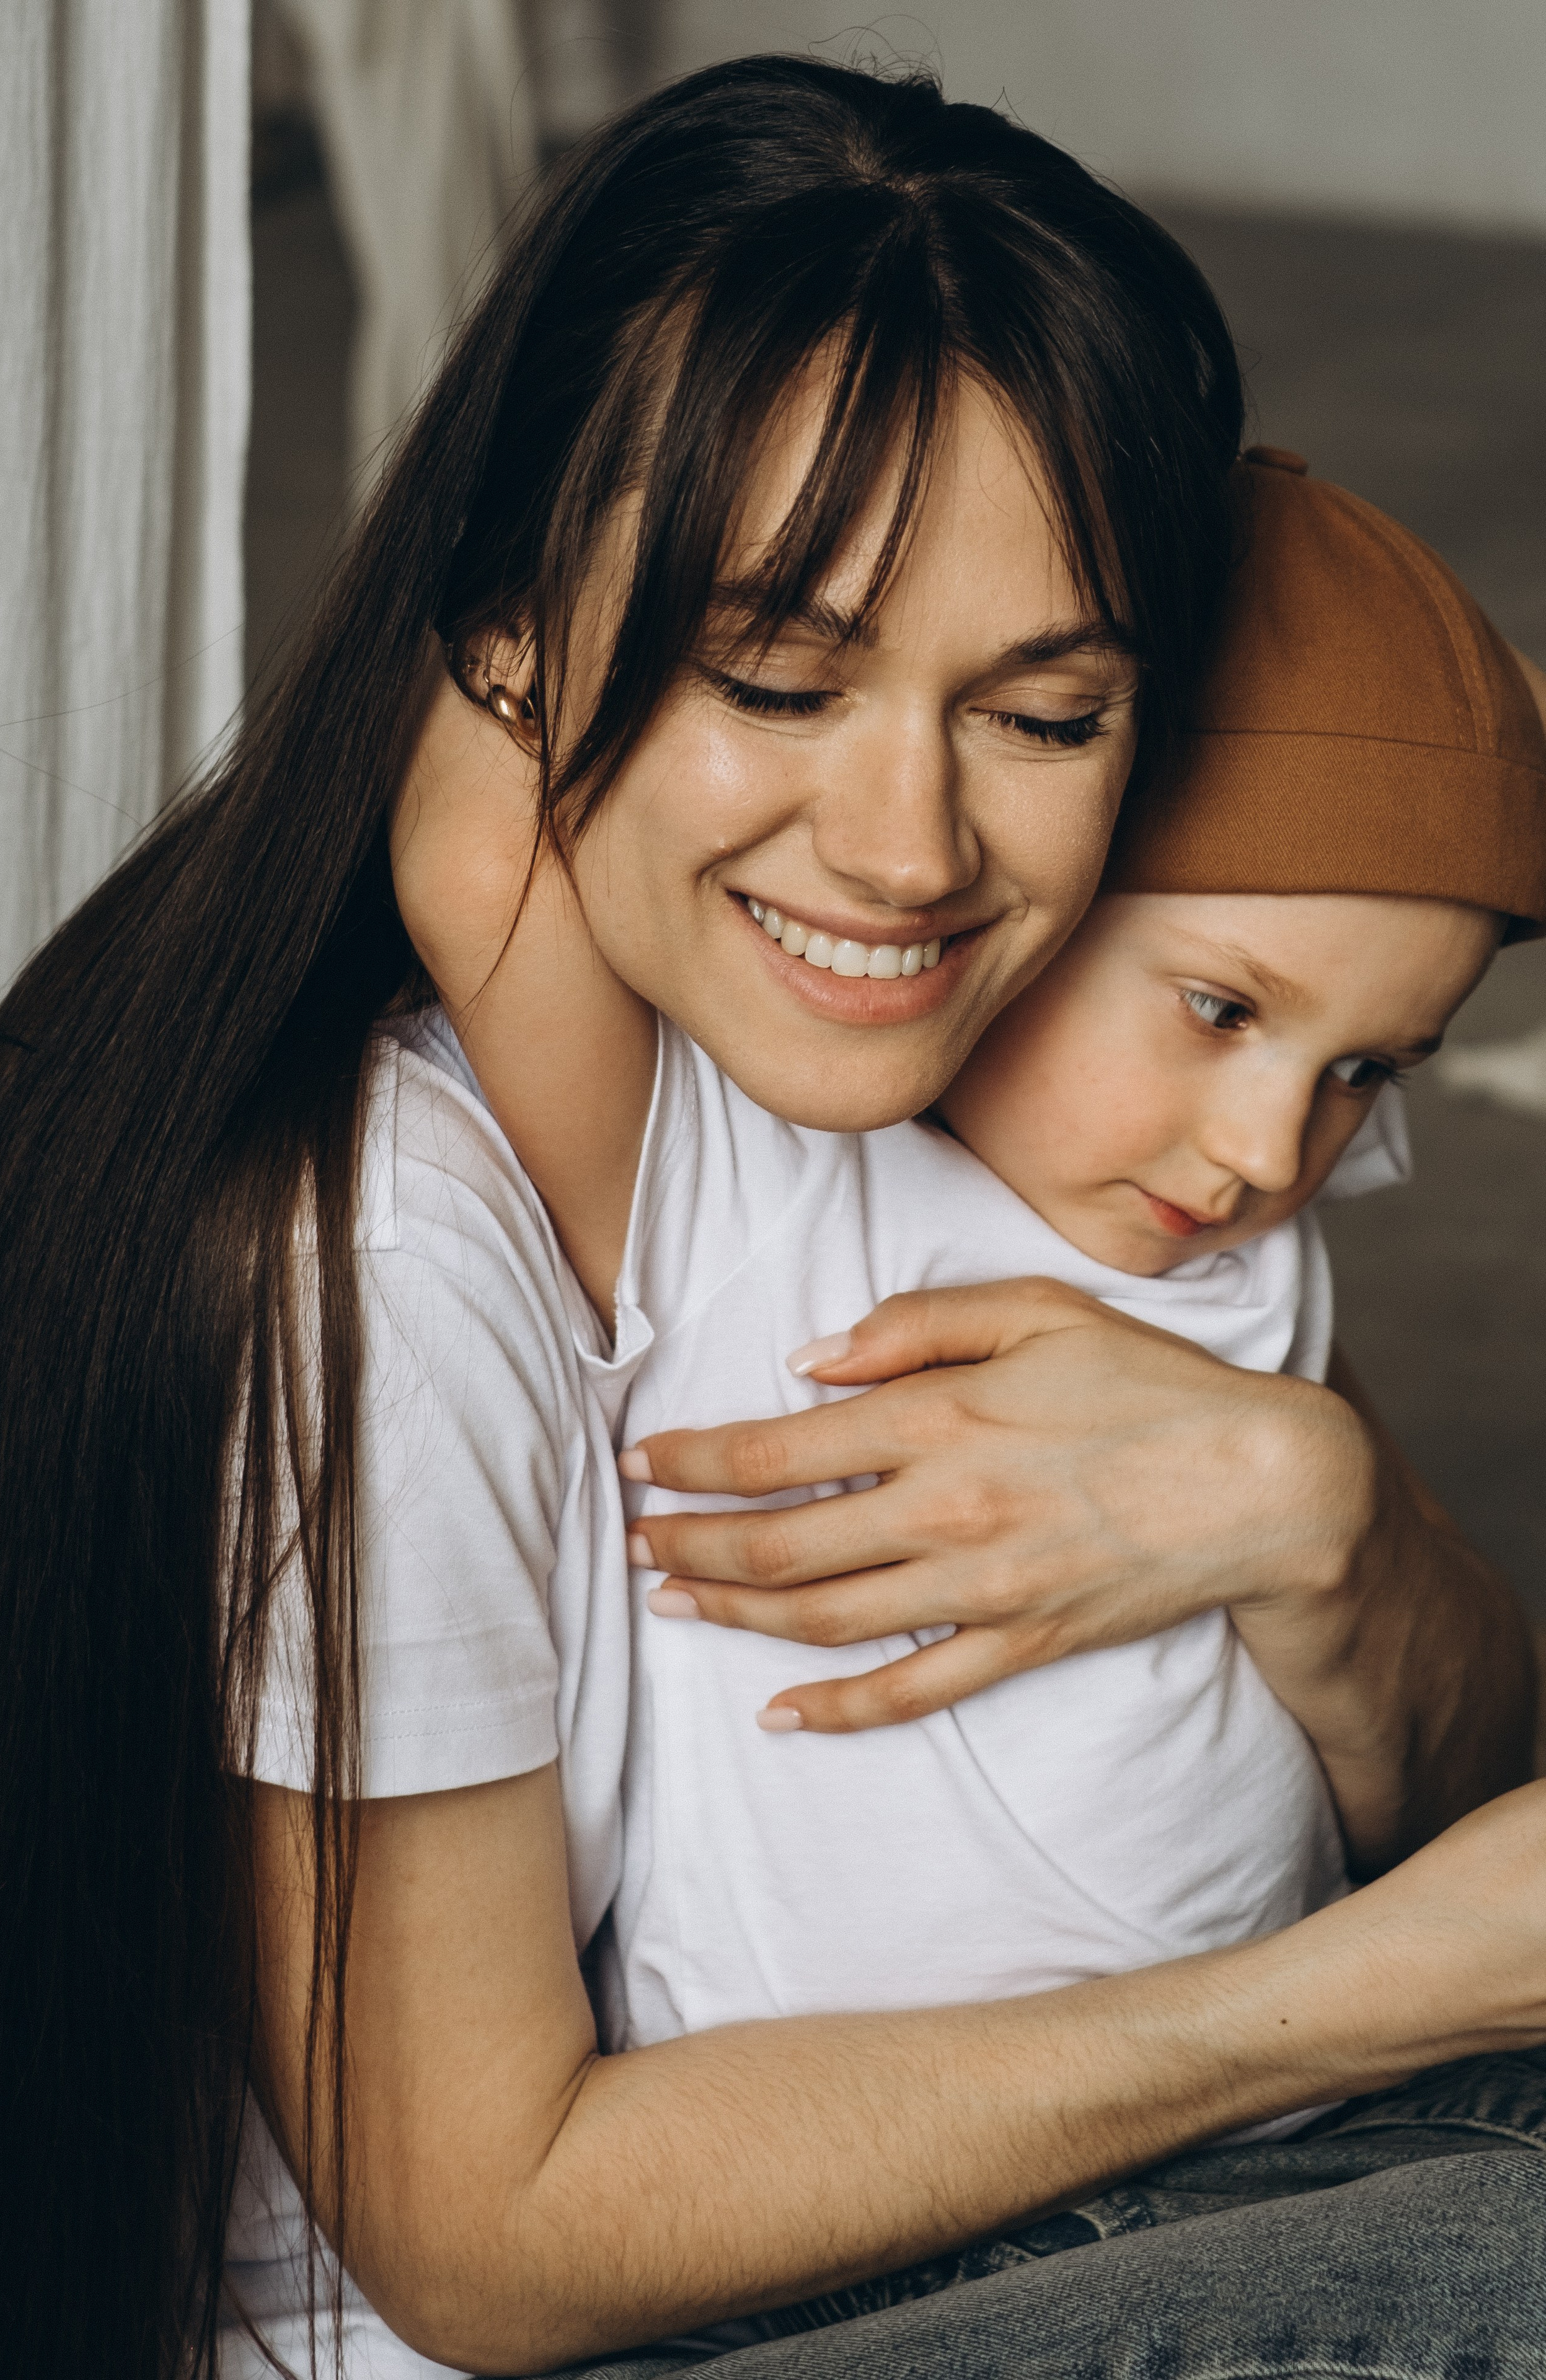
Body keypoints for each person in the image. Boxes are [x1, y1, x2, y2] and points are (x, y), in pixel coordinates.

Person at [0, 55, 1540, 2380]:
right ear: (514, 643)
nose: (906, 853)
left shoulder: (984, 1066)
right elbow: (482, 2248)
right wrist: (1345, 2000)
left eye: (1047, 716)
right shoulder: (403, 1246)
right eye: (780, 678)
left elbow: (1472, 1774)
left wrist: (1314, 1509)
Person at [592, 452, 1545, 2062]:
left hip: (1318, 2107)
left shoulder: (1231, 1220)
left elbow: (1477, 1740)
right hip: (867, 2151)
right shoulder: (765, 1151)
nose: (1271, 1152)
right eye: (1220, 1009)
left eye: (1366, 1069)